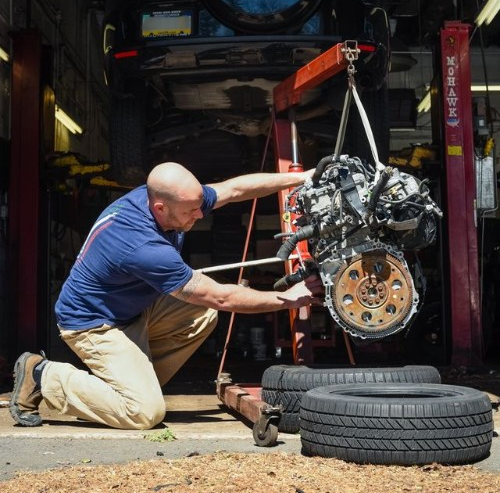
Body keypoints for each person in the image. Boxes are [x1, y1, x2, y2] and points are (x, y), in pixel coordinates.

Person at [10, 162, 321, 430]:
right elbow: (221, 298)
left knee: (200, 315)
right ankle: (42, 375)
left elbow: (234, 189)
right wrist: (288, 299)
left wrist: (301, 178)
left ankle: (117, 392)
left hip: (133, 307)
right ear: (160, 208)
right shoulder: (143, 246)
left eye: (200, 205)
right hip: (93, 324)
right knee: (145, 413)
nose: (200, 215)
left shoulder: (170, 200)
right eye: (191, 211)